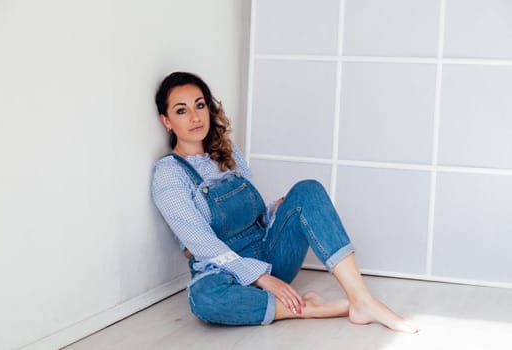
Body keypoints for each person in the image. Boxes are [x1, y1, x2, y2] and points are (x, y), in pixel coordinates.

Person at [151, 71, 418, 332]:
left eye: (200, 105)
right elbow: (201, 244)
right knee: (205, 300)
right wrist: (261, 278)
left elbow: (253, 217)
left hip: (269, 255)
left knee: (307, 190)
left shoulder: (227, 151)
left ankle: (361, 299)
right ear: (167, 121)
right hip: (226, 273)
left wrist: (273, 212)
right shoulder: (169, 173)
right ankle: (315, 308)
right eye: (181, 110)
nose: (195, 117)